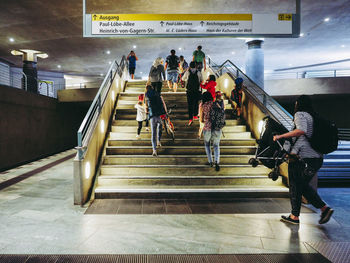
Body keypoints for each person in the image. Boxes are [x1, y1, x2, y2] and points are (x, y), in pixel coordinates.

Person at [273, 95, 334, 225]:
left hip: (302, 159)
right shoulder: (313, 117)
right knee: (302, 186)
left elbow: (301, 131)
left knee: (295, 186)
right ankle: (324, 209)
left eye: (296, 103)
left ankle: (295, 216)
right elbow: (305, 136)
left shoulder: (300, 114)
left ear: (298, 104)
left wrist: (281, 136)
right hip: (316, 159)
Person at [199, 91, 221, 171]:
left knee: (207, 145)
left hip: (207, 128)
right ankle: (217, 161)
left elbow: (201, 120)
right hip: (217, 128)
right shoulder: (216, 104)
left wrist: (206, 120)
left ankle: (210, 161)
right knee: (216, 145)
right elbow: (221, 115)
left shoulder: (203, 106)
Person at [145, 85, 167, 156]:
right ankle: (158, 141)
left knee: (153, 133)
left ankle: (154, 150)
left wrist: (147, 112)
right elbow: (163, 103)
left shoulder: (147, 95)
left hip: (152, 116)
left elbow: (146, 107)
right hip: (159, 115)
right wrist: (165, 112)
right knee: (159, 129)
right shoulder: (158, 94)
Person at [182, 61, 203, 125]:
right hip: (197, 90)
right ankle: (195, 115)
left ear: (190, 66)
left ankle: (190, 118)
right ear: (196, 66)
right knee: (196, 103)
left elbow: (183, 79)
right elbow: (201, 80)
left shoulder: (187, 72)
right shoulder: (199, 72)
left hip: (189, 91)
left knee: (190, 104)